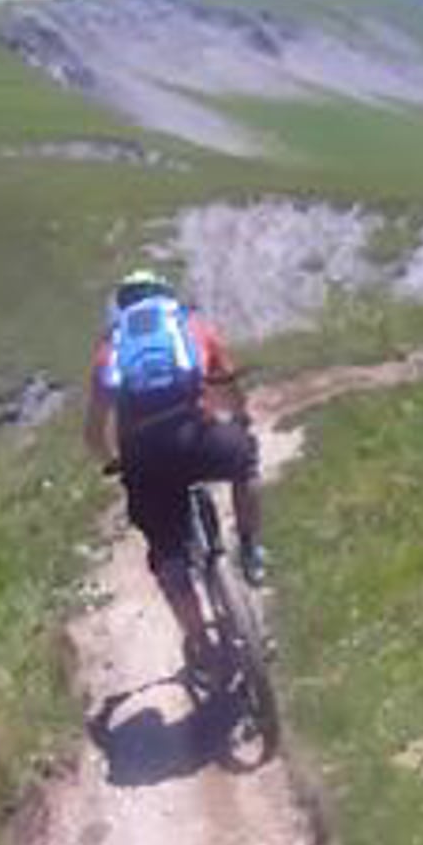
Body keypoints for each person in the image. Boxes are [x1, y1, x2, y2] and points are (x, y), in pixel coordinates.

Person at [84, 270, 267, 674]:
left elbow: (93, 433)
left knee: (168, 553)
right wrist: (239, 422)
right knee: (245, 463)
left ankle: (198, 639)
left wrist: (113, 461)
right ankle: (250, 549)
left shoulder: (109, 349)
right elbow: (230, 391)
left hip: (146, 460)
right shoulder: (191, 327)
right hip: (197, 438)